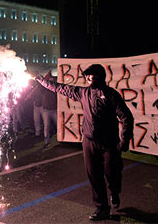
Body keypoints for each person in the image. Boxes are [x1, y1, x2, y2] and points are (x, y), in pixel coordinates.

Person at [36, 64, 134, 221]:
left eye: (93, 75)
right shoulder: (82, 92)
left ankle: (114, 191)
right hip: (89, 141)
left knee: (111, 173)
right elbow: (60, 88)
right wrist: (42, 81)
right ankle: (102, 208)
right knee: (94, 175)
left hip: (109, 142)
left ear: (101, 77)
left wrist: (125, 138)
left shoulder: (111, 95)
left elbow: (126, 117)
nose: (89, 78)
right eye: (87, 76)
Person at [40, 76, 57, 148]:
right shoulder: (44, 89)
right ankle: (47, 142)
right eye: (49, 81)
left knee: (59, 126)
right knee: (46, 127)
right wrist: (40, 78)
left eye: (52, 81)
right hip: (46, 111)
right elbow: (40, 85)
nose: (51, 82)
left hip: (54, 110)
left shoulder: (55, 88)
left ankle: (62, 139)